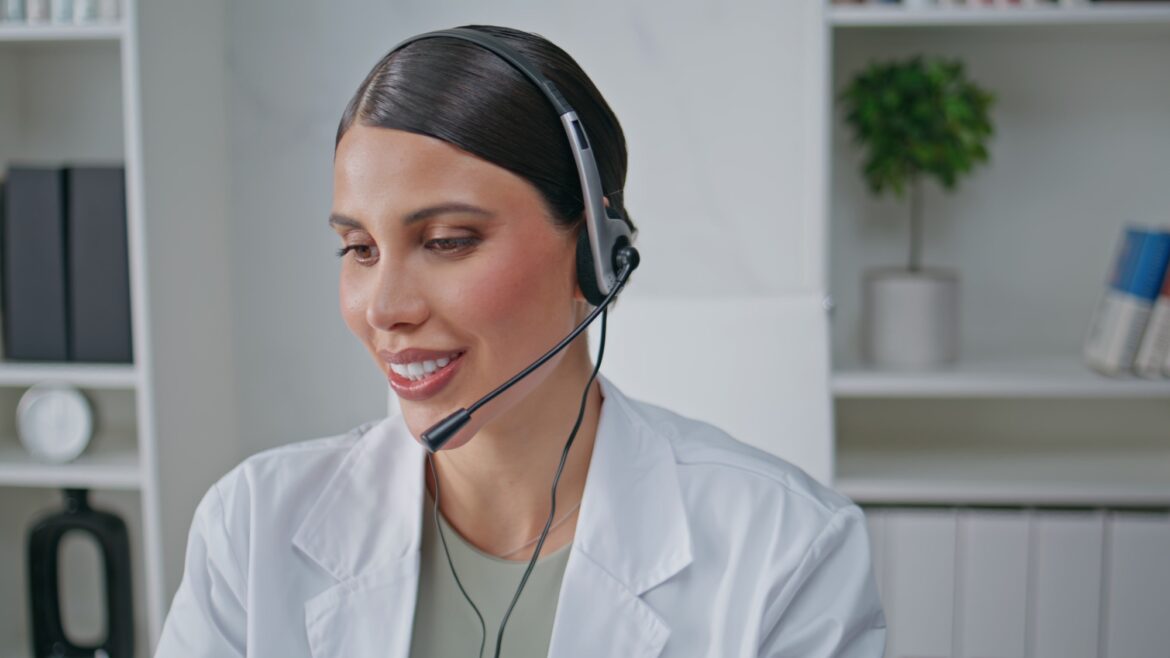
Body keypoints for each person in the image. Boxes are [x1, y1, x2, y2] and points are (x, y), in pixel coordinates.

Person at [154, 24, 886, 658]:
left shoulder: (790, 552)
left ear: (597, 257)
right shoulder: (249, 526)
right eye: (359, 249)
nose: (384, 310)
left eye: (446, 241)